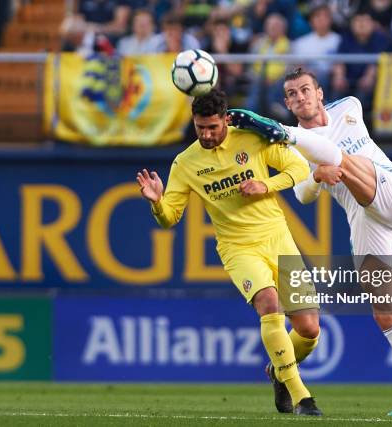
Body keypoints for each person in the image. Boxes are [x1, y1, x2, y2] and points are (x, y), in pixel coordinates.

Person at [228, 68, 392, 417]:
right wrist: (317, 175)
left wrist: (310, 153)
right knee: (386, 313)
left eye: (305, 90)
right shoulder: (297, 150)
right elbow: (302, 194)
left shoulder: (349, 106)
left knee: (341, 159)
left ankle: (279, 128)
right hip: (366, 220)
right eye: (292, 94)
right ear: (287, 102)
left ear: (320, 93)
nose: (300, 97)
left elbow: (331, 151)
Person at [137, 89, 323, 416]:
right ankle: (302, 398)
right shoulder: (185, 163)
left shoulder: (252, 139)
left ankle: (278, 370)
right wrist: (157, 204)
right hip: (238, 248)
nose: (206, 134)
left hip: (278, 238)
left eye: (212, 127)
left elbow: (299, 169)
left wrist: (267, 185)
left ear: (226, 119)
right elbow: (170, 219)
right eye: (200, 128)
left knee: (309, 330)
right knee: (269, 303)